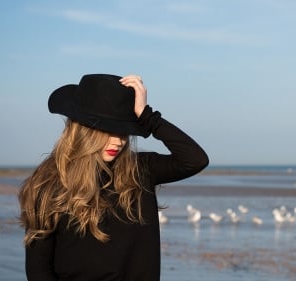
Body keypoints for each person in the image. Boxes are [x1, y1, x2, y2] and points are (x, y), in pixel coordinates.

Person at [18, 74, 209, 281]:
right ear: (84, 130)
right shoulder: (49, 184)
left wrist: (148, 117)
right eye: (109, 130)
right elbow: (39, 271)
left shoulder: (139, 171)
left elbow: (195, 159)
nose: (118, 141)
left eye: (124, 132)